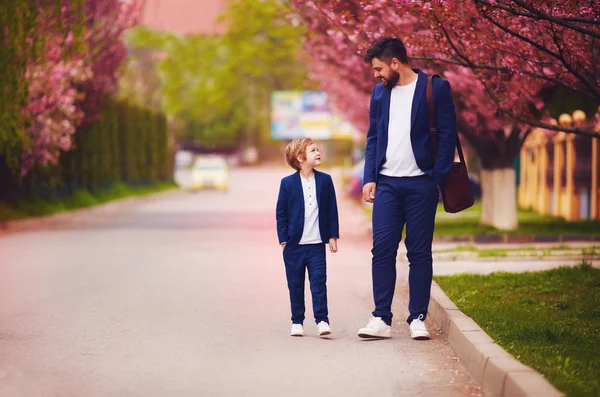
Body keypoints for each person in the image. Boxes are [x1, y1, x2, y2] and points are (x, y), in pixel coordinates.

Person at [357, 37, 457, 340]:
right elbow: (373, 137)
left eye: (378, 68)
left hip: (421, 184)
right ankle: (381, 319)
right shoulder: (379, 94)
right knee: (382, 251)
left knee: (419, 252)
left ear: (395, 63)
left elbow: (449, 134)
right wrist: (369, 177)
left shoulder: (435, 88)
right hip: (387, 184)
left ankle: (417, 318)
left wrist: (436, 178)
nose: (375, 75)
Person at [276, 138, 340, 337]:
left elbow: (331, 210)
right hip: (294, 246)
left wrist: (332, 236)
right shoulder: (287, 183)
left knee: (319, 282)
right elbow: (281, 212)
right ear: (300, 157)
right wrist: (283, 238)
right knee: (295, 284)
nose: (318, 153)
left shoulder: (325, 180)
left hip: (316, 246)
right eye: (313, 150)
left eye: (318, 149)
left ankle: (322, 320)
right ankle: (297, 321)